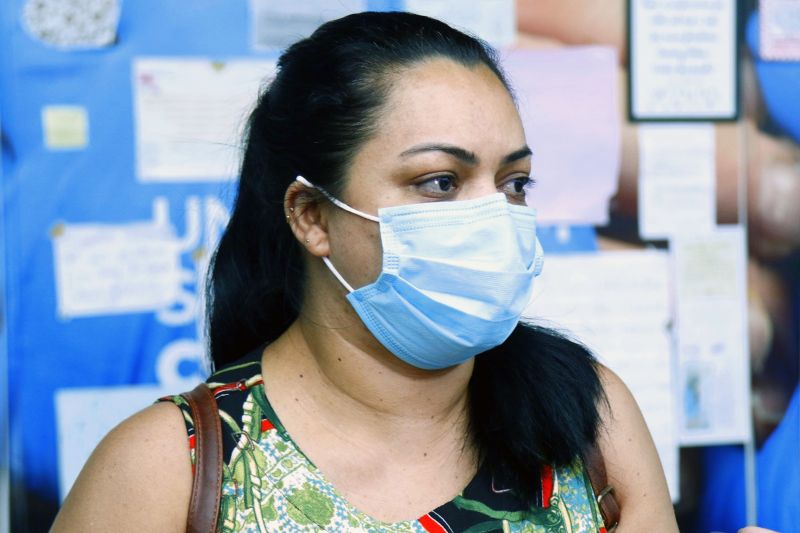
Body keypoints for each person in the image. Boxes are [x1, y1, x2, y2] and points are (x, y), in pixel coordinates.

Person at [51, 12, 676, 532]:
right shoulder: (168, 469)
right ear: (313, 216)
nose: (494, 218)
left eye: (513, 183)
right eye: (439, 182)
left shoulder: (587, 418)